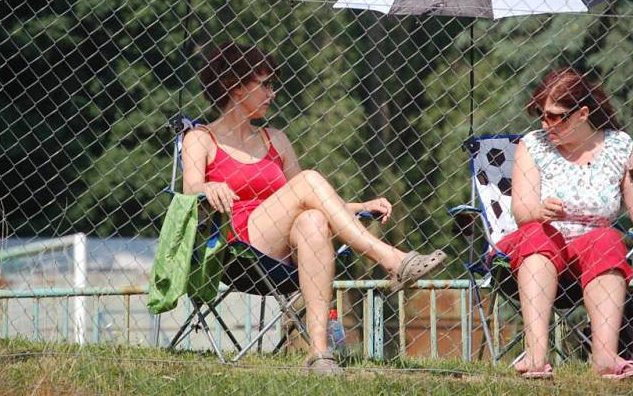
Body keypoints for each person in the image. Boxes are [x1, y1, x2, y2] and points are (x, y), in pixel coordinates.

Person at [181, 42, 446, 374]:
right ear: (233, 86)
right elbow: (188, 190)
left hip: (285, 249)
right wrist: (207, 186)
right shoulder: (201, 138)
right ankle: (391, 258)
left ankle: (320, 353)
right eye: (264, 84)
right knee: (308, 181)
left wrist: (358, 206)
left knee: (312, 219)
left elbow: (305, 196)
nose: (272, 93)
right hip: (237, 246)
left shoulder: (274, 139)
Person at [498, 68, 633, 380]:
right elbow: (521, 210)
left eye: (554, 116)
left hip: (590, 251)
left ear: (582, 113)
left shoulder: (619, 146)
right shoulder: (532, 145)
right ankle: (535, 356)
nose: (544, 124)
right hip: (539, 247)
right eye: (540, 114)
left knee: (607, 239)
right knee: (536, 234)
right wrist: (540, 210)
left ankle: (605, 359)